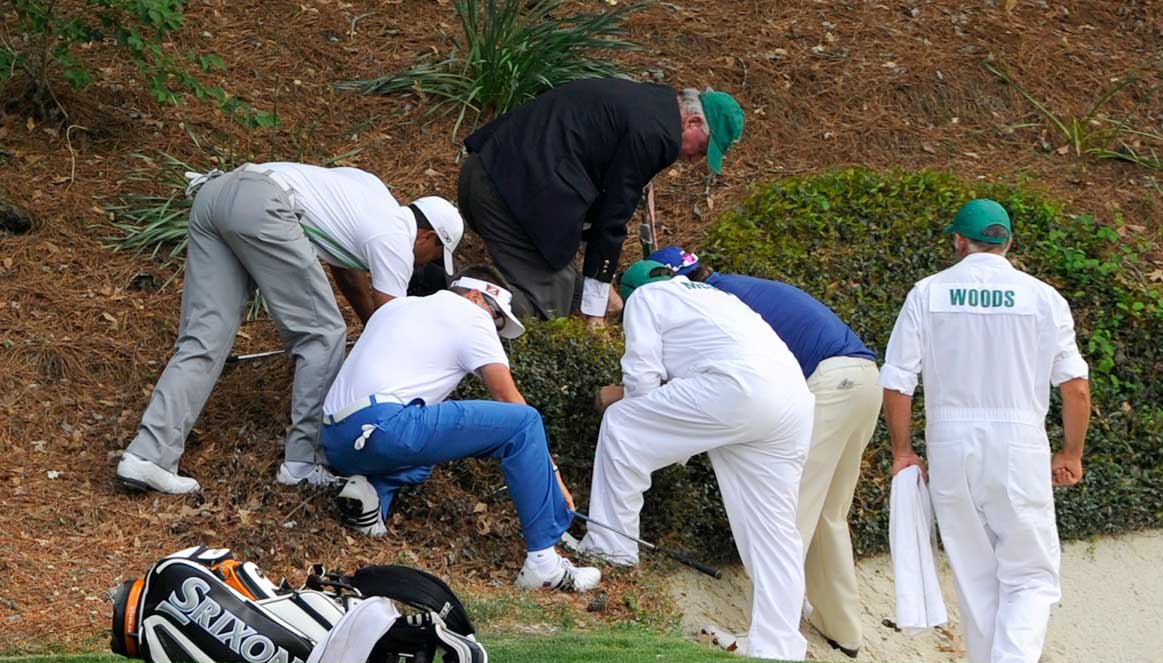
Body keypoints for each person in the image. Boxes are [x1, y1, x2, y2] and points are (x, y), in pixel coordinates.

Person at [116, 162, 463, 495]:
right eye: (433, 256)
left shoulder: (371, 197)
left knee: (205, 338)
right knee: (323, 336)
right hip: (265, 205)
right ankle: (303, 463)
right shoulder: (394, 239)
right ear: (428, 236)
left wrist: (369, 326)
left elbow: (349, 276)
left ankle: (148, 455)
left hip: (218, 194)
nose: (426, 264)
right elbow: (392, 326)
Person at [879, 199, 1091, 663]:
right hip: (1018, 442)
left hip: (950, 441)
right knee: (1032, 574)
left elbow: (897, 380)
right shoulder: (1042, 297)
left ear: (958, 241)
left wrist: (903, 451)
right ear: (1009, 242)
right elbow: (1075, 388)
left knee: (975, 574)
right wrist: (1071, 452)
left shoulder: (927, 292)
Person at [648, 246, 882, 658]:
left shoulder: (713, 303)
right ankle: (841, 629)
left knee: (783, 513)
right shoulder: (732, 287)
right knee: (828, 512)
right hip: (864, 379)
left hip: (829, 381)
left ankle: (773, 635)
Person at [579, 261, 813, 661]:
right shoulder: (719, 299)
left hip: (740, 390)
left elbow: (641, 382)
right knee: (774, 529)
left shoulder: (647, 298)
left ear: (629, 290)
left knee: (622, 425)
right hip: (794, 401)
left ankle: (611, 545)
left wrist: (615, 400)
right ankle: (778, 645)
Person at [319, 265, 601, 592]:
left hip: (337, 437)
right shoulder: (471, 315)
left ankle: (371, 499)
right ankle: (544, 563)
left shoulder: (398, 306)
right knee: (525, 423)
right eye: (496, 316)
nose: (495, 326)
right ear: (475, 295)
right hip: (383, 426)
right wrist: (553, 475)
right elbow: (509, 398)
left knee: (426, 452)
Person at [458, 78, 744, 325]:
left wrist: (600, 285)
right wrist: (596, 307)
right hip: (509, 194)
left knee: (564, 286)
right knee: (547, 307)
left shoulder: (650, 103)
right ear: (692, 121)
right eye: (703, 148)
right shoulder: (658, 135)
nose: (696, 160)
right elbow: (613, 216)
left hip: (487, 172)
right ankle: (449, 300)